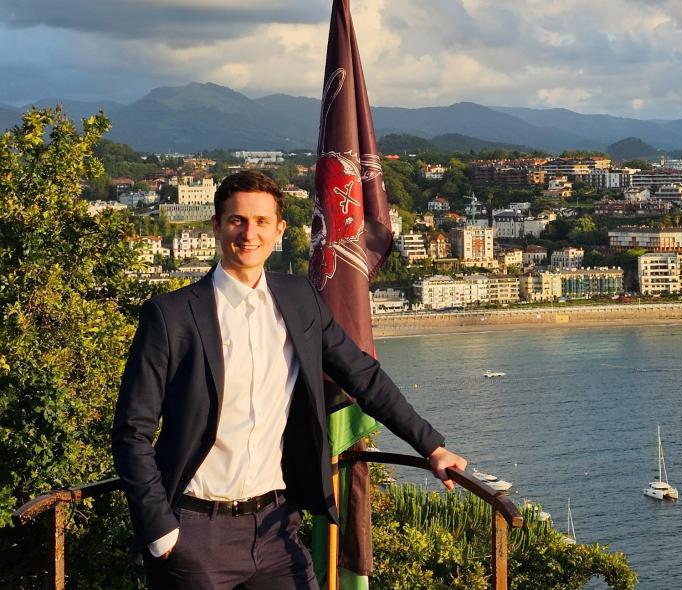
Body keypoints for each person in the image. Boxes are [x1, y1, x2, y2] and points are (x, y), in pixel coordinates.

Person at [112, 170, 466, 590]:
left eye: (261, 221)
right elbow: (132, 430)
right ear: (217, 226)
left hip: (277, 528)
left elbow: (364, 376)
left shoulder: (300, 300)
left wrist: (431, 447)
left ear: (279, 230)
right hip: (195, 533)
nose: (249, 234)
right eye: (237, 220)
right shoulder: (171, 315)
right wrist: (160, 530)